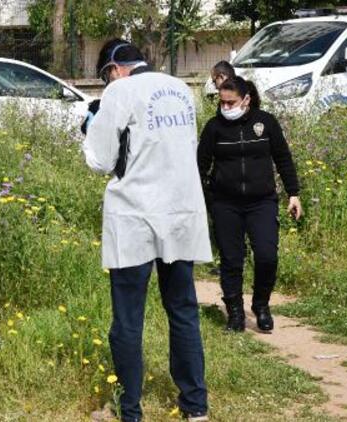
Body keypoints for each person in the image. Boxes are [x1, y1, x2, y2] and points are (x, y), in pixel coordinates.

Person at [83, 39, 212, 422]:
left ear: (113, 69)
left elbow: (101, 160)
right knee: (183, 310)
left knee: (127, 318)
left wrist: (91, 128)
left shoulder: (119, 91)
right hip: (180, 213)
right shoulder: (180, 88)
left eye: (106, 76)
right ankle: (195, 406)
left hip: (135, 215)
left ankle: (130, 410)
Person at [197, 76, 302, 333]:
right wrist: (206, 199)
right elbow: (199, 166)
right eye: (222, 102)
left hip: (261, 202)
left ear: (246, 99)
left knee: (267, 256)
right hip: (225, 204)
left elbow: (283, 158)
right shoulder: (214, 128)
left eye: (231, 102)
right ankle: (235, 313)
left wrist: (293, 193)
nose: (226, 107)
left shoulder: (265, 123)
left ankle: (261, 305)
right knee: (232, 261)